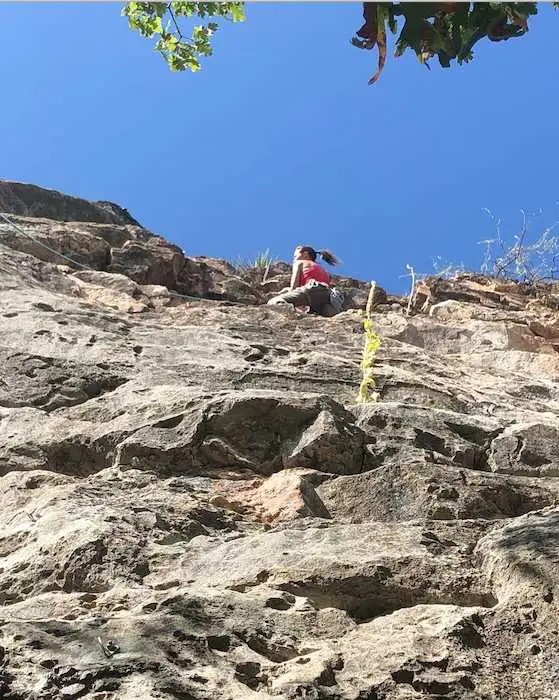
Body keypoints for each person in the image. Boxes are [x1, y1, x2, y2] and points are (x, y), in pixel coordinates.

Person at [267, 245, 341, 317]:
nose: (294, 259)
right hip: (327, 297)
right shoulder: (323, 270)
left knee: (273, 301)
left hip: (311, 290)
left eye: (295, 256)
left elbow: (294, 287)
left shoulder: (300, 262)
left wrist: (287, 295)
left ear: (305, 254)